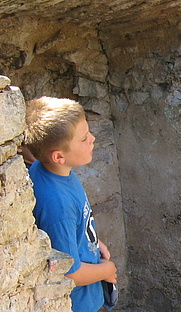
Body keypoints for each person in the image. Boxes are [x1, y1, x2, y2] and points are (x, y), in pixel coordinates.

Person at [25, 97, 118, 312]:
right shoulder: (57, 204)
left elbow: (76, 226)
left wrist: (94, 242)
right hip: (80, 303)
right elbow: (70, 273)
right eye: (84, 138)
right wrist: (107, 270)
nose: (93, 139)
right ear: (58, 156)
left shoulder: (47, 169)